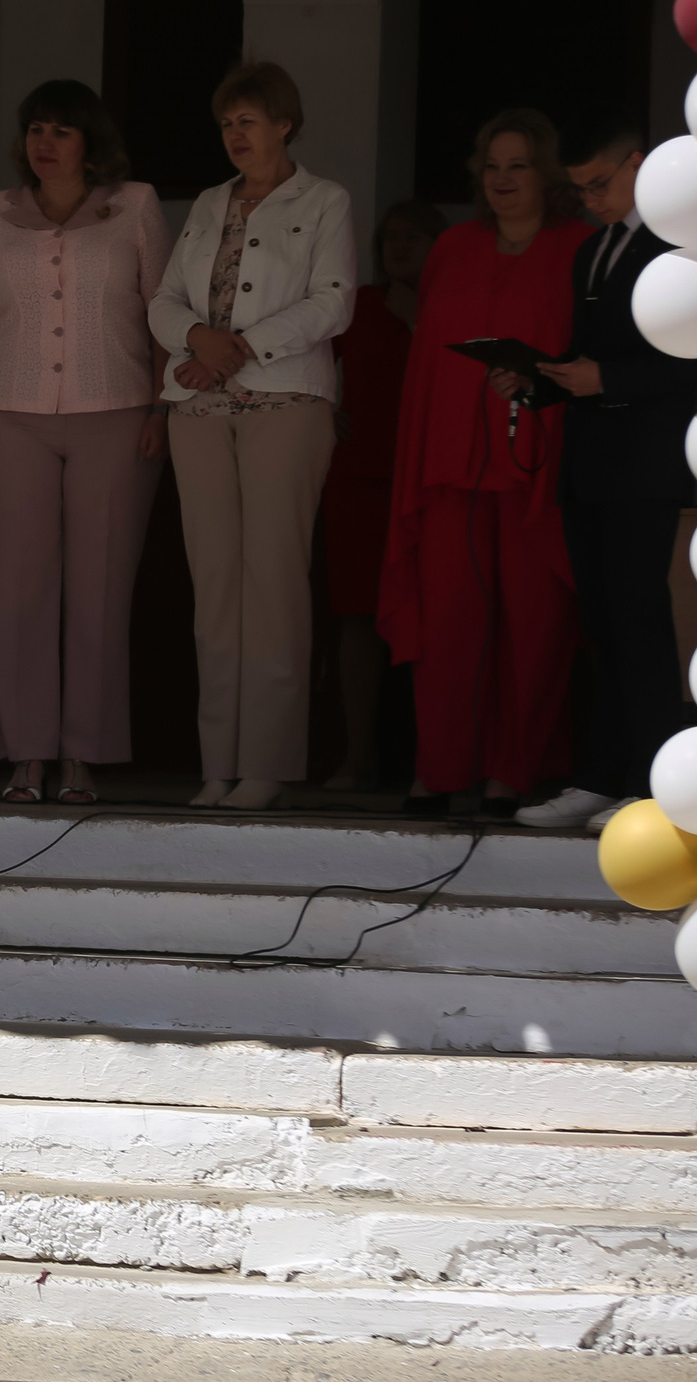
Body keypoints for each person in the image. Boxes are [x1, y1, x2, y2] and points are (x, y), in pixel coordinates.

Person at [0, 79, 171, 806]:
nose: (45, 142)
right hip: (9, 415)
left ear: (89, 142)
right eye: (37, 129)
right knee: (19, 590)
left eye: (61, 131)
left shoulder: (134, 204)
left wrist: (165, 410)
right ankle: (27, 755)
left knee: (101, 588)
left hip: (116, 407)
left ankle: (84, 758)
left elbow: (163, 313)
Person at [150, 62, 357, 812]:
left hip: (286, 400)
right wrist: (198, 337)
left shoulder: (325, 199)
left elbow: (333, 303)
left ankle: (266, 765)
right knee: (216, 589)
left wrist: (238, 346)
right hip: (199, 405)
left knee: (273, 583)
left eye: (249, 120)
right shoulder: (208, 203)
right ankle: (219, 767)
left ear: (284, 124)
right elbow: (165, 300)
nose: (236, 134)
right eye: (227, 122)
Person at [379, 109, 594, 817]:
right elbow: (423, 372)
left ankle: (512, 770)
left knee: (532, 628)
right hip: (449, 467)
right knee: (446, 626)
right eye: (492, 166)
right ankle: (439, 769)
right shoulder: (454, 250)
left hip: (537, 469)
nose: (502, 179)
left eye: (519, 165)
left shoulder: (578, 248)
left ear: (548, 174)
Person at [518, 124, 697, 830]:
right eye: (580, 187)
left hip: (654, 464)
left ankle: (655, 781)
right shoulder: (592, 251)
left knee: (644, 622)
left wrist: (608, 378)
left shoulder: (680, 247)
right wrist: (538, 379)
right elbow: (586, 356)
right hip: (592, 461)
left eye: (601, 182)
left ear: (639, 163)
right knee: (605, 621)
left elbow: (688, 359)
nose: (591, 200)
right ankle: (604, 774)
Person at [322, 200, 447, 791]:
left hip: (429, 480)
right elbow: (311, 364)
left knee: (435, 620)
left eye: (413, 236)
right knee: (357, 618)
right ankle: (355, 756)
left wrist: (419, 321)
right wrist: (326, 412)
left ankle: (433, 760)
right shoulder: (360, 304)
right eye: (391, 237)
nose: (399, 246)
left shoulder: (450, 305)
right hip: (358, 479)